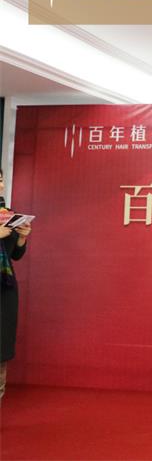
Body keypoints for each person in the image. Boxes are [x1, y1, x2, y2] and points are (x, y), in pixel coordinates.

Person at [0, 169, 32, 399]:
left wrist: (22, 237)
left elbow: (14, 255)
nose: (0, 185)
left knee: (1, 345)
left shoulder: (7, 215)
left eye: (0, 180)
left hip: (5, 288)